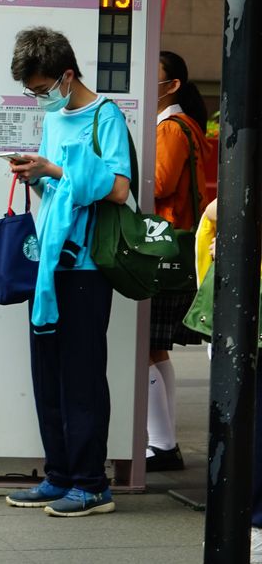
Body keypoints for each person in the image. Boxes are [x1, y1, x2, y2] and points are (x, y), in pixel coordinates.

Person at [2, 26, 131, 517]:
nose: (40, 99)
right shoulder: (56, 121)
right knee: (48, 372)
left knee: (81, 375)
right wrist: (36, 175)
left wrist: (54, 172)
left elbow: (119, 189)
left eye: (41, 89)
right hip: (50, 262)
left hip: (88, 265)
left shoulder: (107, 116)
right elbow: (58, 194)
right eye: (32, 91)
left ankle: (92, 483)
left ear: (67, 75)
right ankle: (59, 474)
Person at [146, 51, 211, 472]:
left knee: (147, 350)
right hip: (179, 246)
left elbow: (159, 182)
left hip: (160, 247)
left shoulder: (170, 128)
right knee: (157, 349)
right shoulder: (188, 125)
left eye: (156, 74)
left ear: (171, 86)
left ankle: (162, 445)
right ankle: (162, 441)